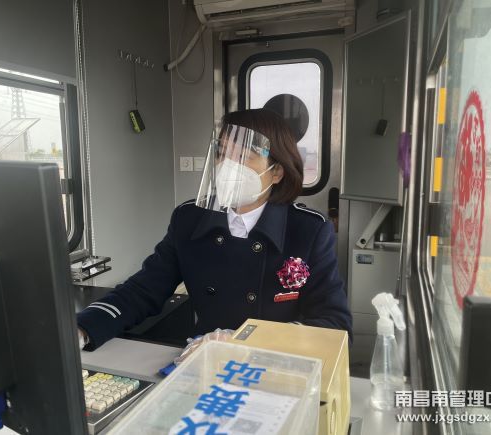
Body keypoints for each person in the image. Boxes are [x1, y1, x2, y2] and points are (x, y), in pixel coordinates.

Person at [77, 108, 352, 350]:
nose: (228, 167)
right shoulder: (190, 219)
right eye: (222, 154)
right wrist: (83, 329)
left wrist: (247, 340)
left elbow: (335, 325)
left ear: (277, 172)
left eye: (243, 156)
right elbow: (144, 289)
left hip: (276, 363)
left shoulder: (308, 230)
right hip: (203, 356)